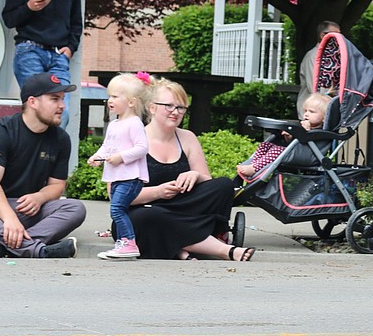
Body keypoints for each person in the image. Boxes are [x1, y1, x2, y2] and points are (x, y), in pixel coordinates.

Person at [106, 78, 251, 261]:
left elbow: (207, 180)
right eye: (169, 106)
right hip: (146, 210)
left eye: (181, 108)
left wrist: (195, 175)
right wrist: (158, 192)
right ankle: (223, 250)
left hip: (182, 208)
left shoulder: (187, 137)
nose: (175, 112)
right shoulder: (130, 139)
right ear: (152, 107)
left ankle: (180, 244)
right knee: (151, 216)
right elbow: (114, 194)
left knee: (223, 185)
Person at [0, 73, 86, 258]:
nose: (62, 106)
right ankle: (39, 250)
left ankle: (7, 246)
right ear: (33, 102)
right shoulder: (1, 131)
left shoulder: (61, 139)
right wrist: (9, 218)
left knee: (75, 208)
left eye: (62, 99)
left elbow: (57, 186)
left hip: (27, 211)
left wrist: (39, 197)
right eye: (54, 99)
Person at [1, 0, 83, 127]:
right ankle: (30, 156)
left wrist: (71, 47)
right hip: (29, 51)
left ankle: (51, 157)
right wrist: (29, 7)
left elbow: (76, 19)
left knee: (61, 114)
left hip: (59, 54)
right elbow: (9, 19)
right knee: (36, 111)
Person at [88, 73, 151, 260]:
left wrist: (121, 157)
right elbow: (107, 146)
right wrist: (97, 156)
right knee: (118, 209)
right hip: (117, 176)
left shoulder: (134, 123)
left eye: (115, 96)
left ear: (131, 102)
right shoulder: (114, 124)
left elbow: (142, 148)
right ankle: (123, 243)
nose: (110, 100)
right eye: (109, 96)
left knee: (117, 209)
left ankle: (129, 243)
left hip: (131, 176)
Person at [237, 92, 332, 181]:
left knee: (277, 151)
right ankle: (253, 163)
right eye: (305, 111)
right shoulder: (304, 124)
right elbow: (296, 144)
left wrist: (306, 131)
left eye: (311, 112)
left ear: (324, 117)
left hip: (308, 157)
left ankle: (254, 169)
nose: (306, 114)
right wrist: (289, 137)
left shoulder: (321, 132)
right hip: (297, 152)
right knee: (265, 145)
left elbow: (307, 144)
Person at [297, 21, 342, 115]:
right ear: (322, 35)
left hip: (326, 113)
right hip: (311, 113)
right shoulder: (313, 56)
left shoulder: (334, 57)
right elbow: (314, 87)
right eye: (335, 35)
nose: (339, 39)